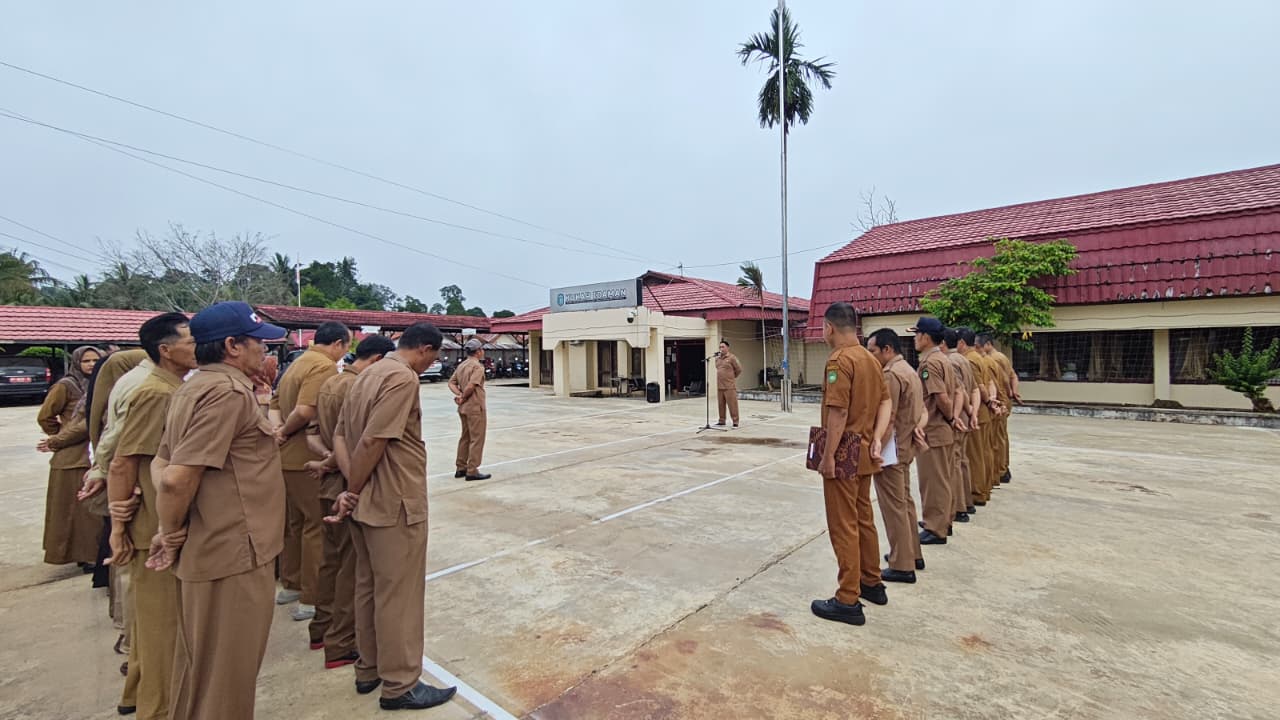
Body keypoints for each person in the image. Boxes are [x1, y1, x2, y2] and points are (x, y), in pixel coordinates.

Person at [150, 301, 288, 720]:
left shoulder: (193, 386)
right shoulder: (225, 392)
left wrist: (169, 524)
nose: (264, 354)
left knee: (203, 668)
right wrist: (169, 531)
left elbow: (162, 463)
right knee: (226, 677)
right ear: (232, 345)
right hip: (233, 548)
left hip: (218, 543)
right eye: (257, 345)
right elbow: (176, 477)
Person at [332, 323, 457, 710]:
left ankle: (368, 668)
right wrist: (352, 491)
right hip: (394, 500)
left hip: (368, 499)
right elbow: (374, 440)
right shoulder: (401, 378)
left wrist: (352, 490)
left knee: (368, 587)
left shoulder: (365, 374)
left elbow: (341, 436)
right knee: (398, 595)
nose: (432, 364)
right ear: (423, 349)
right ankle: (401, 683)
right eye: (434, 357)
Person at [106, 312, 197, 720]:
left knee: (151, 626)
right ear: (166, 349)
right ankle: (157, 709)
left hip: (153, 521)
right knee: (163, 630)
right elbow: (123, 462)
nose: (197, 347)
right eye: (190, 340)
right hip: (151, 526)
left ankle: (137, 695)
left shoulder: (173, 388)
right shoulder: (157, 393)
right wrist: (119, 526)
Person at [302, 334, 396, 671]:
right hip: (348, 484)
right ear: (377, 360)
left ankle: (322, 630)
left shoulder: (331, 383)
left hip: (330, 481)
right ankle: (341, 642)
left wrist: (325, 461)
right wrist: (342, 472)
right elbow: (360, 443)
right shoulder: (359, 388)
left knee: (331, 563)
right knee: (351, 571)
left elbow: (315, 434)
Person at [809, 303, 891, 626]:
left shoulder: (840, 361)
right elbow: (886, 402)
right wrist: (878, 439)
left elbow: (838, 412)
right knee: (863, 518)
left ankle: (847, 598)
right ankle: (871, 581)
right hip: (865, 451)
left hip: (844, 452)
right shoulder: (871, 360)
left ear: (829, 328)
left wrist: (828, 456)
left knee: (844, 524)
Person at [273, 322, 350, 622]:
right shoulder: (323, 367)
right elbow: (306, 411)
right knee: (316, 526)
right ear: (339, 344)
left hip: (287, 457)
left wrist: (278, 431)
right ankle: (311, 596)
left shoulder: (297, 363)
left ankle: (290, 583)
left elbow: (276, 403)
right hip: (308, 456)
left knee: (295, 524)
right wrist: (287, 430)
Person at [82, 346, 150, 682]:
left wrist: (99, 471)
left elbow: (110, 440)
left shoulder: (124, 384)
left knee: (125, 570)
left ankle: (129, 639)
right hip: (137, 491)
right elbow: (123, 450)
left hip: (124, 486)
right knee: (134, 574)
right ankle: (136, 647)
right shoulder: (145, 387)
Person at [866, 328, 926, 583]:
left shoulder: (890, 375)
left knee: (894, 508)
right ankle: (912, 553)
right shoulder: (909, 370)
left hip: (893, 449)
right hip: (906, 445)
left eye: (873, 351)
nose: (871, 356)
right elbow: (921, 410)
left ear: (887, 350)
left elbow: (887, 417)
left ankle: (902, 564)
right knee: (905, 503)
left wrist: (877, 445)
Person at [36, 345, 102, 566]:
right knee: (72, 511)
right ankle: (83, 556)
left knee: (87, 515)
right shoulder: (67, 386)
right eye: (86, 361)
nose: (92, 365)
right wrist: (59, 437)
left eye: (95, 360)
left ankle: (88, 555)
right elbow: (46, 416)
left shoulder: (98, 385)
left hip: (89, 454)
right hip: (72, 457)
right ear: (77, 363)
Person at [910, 318, 956, 546]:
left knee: (933, 482)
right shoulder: (943, 359)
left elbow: (941, 398)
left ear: (925, 337)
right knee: (942, 480)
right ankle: (942, 521)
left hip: (934, 430)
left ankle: (935, 528)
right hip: (941, 430)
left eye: (916, 334)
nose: (914, 338)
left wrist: (949, 418)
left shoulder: (930, 363)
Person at [958, 328, 998, 507]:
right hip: (983, 411)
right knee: (984, 452)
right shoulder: (981, 358)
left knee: (975, 456)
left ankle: (977, 492)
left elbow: (979, 387)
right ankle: (985, 486)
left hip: (978, 411)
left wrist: (988, 402)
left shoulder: (970, 360)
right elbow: (990, 383)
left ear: (962, 343)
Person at [942, 329, 977, 523]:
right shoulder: (963, 359)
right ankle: (966, 503)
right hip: (964, 413)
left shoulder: (951, 361)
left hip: (959, 415)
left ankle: (957, 507)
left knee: (954, 463)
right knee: (961, 460)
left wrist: (955, 416)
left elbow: (960, 391)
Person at [449, 338, 491, 481]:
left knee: (465, 437)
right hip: (474, 407)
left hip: (463, 408)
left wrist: (459, 395)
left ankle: (461, 467)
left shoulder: (462, 365)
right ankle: (472, 470)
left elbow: (451, 383)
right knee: (477, 439)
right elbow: (472, 385)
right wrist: (464, 397)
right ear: (478, 351)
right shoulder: (477, 367)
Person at [980, 334, 1017, 484]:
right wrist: (1012, 394)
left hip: (998, 401)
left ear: (988, 344)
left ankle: (1001, 469)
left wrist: (1005, 397)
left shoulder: (993, 359)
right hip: (1003, 400)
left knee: (997, 438)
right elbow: (1014, 376)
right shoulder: (1001, 357)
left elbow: (1005, 380)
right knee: (1000, 436)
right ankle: (1002, 468)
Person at [714, 341, 743, 427]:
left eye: (723, 347)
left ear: (727, 348)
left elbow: (739, 369)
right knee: (721, 405)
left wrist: (732, 378)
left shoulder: (732, 358)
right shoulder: (717, 359)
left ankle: (735, 421)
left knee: (732, 404)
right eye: (720, 347)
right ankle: (722, 420)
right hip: (720, 386)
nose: (721, 349)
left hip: (729, 386)